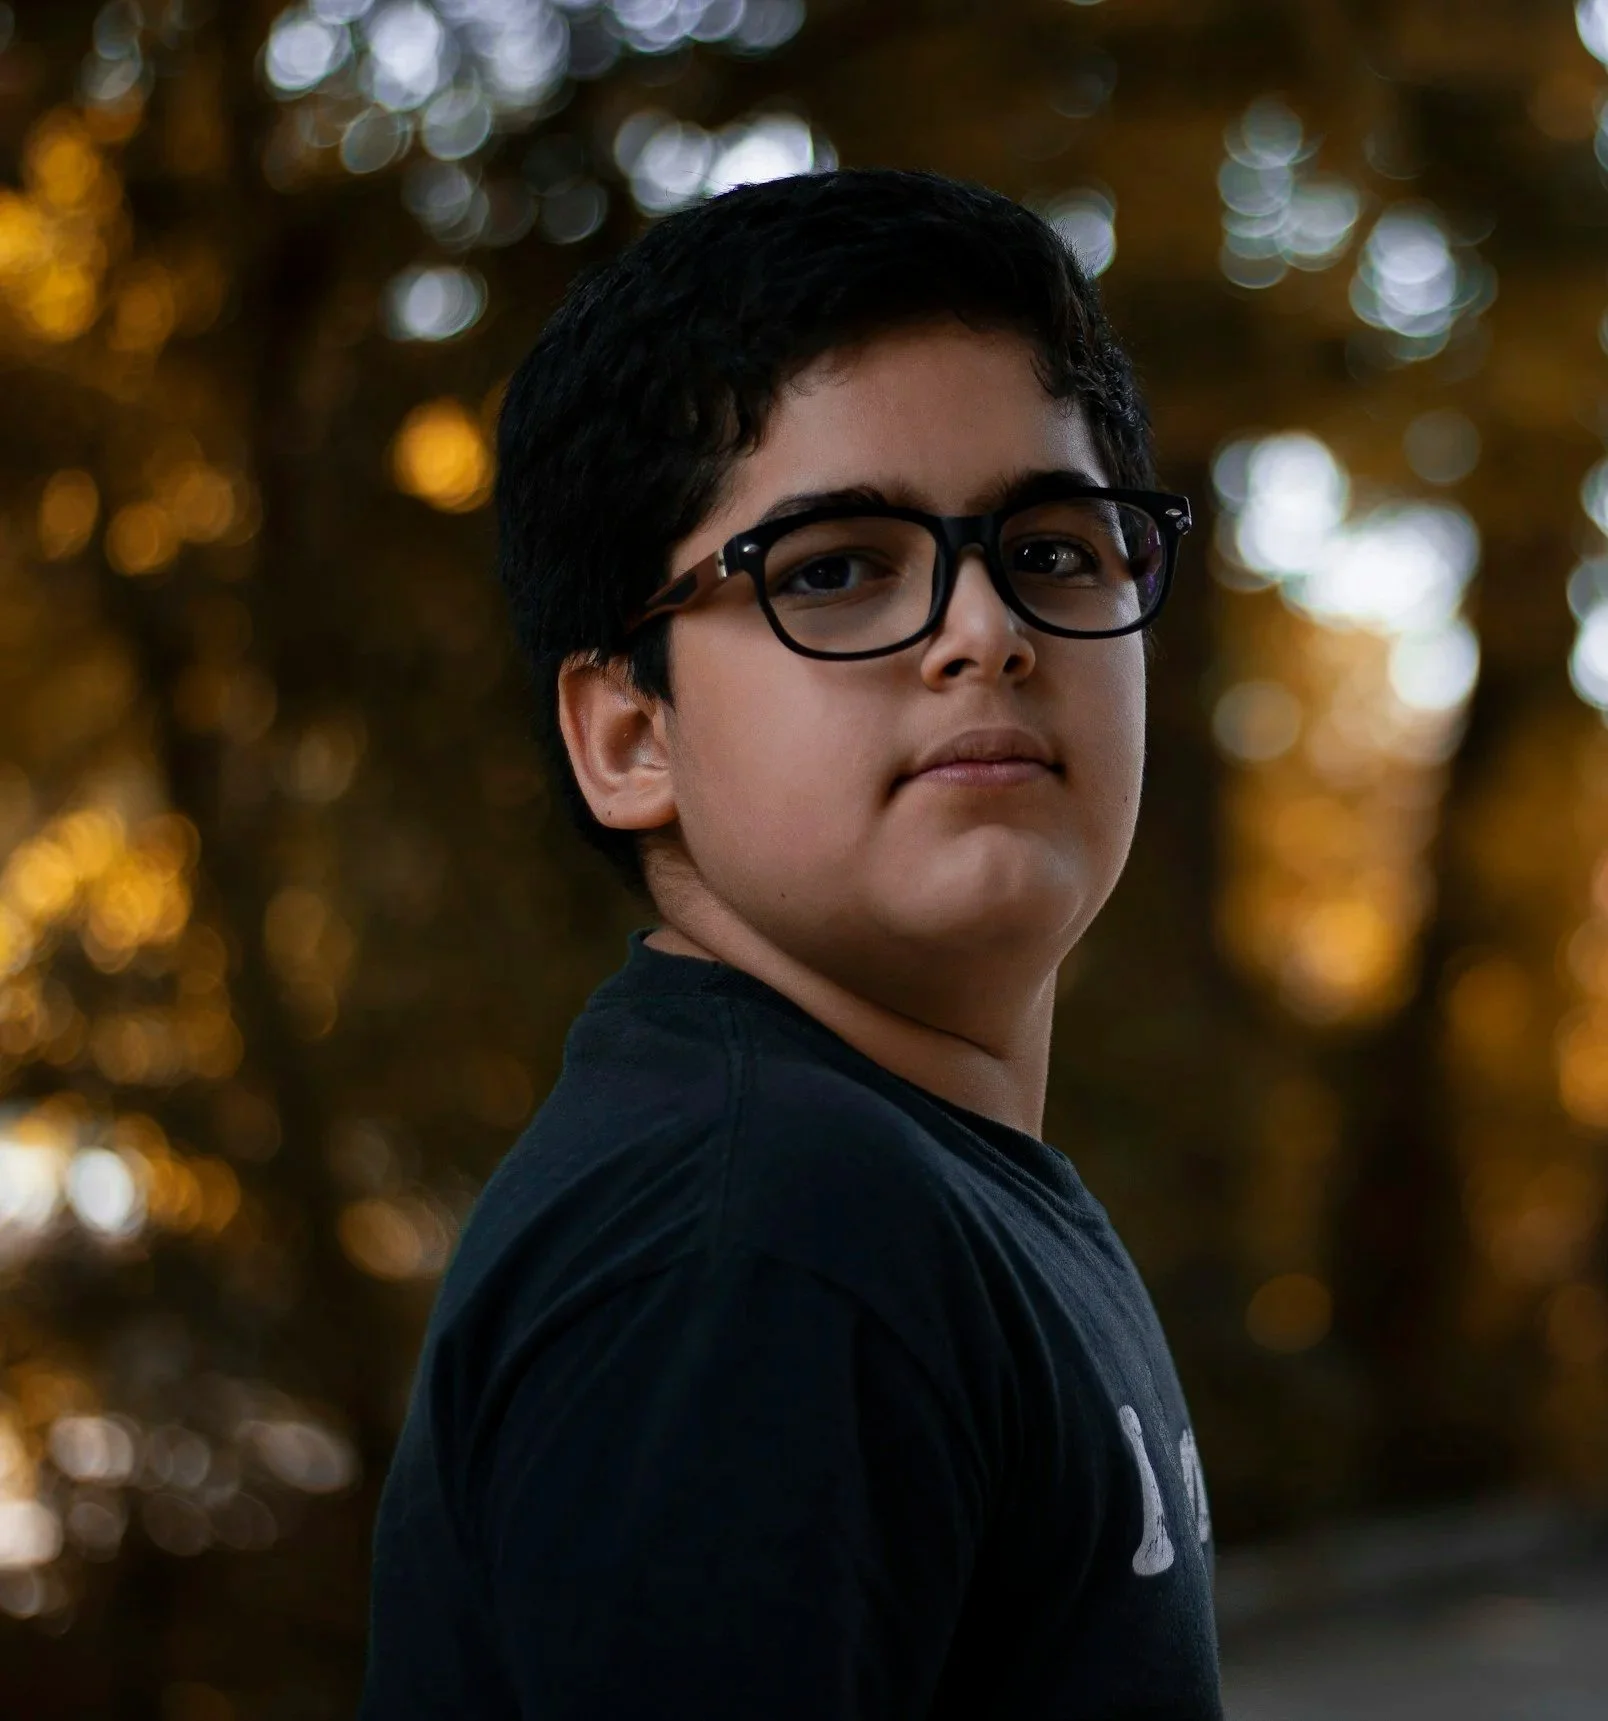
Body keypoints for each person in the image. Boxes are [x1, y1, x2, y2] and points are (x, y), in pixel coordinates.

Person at [360, 166, 1220, 1720]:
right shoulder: (760, 1246)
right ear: (631, 735)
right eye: (834, 569)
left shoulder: (901, 1191)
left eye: (1054, 546)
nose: (987, 631)